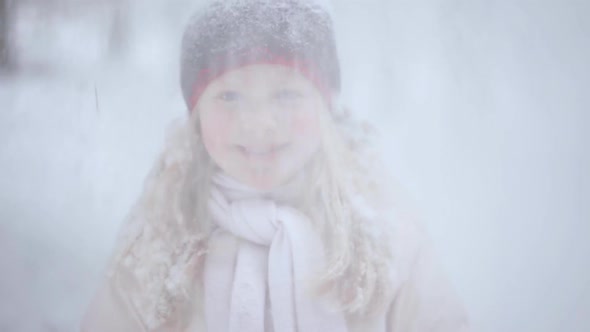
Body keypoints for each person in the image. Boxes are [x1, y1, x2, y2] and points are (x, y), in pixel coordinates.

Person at [81, 0, 469, 331]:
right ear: (196, 116)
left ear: (324, 107)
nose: (259, 123)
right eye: (230, 96)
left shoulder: (382, 234)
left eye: (286, 94)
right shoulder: (159, 238)